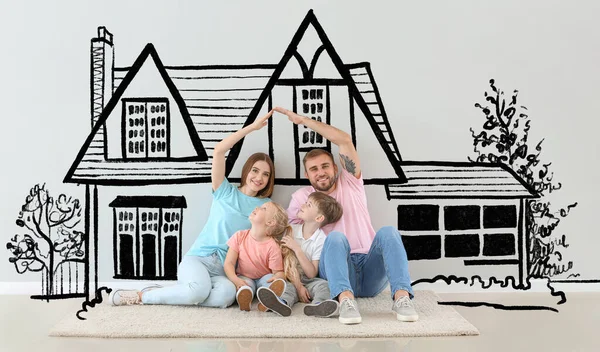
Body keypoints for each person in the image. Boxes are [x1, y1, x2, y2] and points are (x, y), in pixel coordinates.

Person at [108, 110, 276, 307]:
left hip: (226, 268)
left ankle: (181, 294)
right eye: (255, 170)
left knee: (226, 297)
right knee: (198, 291)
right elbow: (219, 151)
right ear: (247, 170)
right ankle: (142, 296)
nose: (259, 177)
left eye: (265, 174)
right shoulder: (225, 191)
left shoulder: (265, 207)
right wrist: (251, 128)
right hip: (199, 258)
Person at [274, 106, 419, 325]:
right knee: (335, 238)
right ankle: (345, 301)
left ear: (335, 168)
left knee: (389, 232)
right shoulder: (301, 198)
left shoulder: (350, 182)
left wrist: (303, 120)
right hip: (335, 269)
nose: (320, 172)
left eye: (325, 166)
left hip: (370, 267)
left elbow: (344, 140)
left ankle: (402, 298)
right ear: (307, 175)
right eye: (314, 169)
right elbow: (291, 236)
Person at [256, 192, 342, 318]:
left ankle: (319, 305)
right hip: (289, 276)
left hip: (309, 280)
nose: (303, 205)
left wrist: (297, 249)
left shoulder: (321, 239)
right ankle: (281, 303)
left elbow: (312, 273)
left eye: (309, 205)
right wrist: (299, 286)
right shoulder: (291, 229)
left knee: (324, 285)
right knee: (286, 288)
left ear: (318, 218)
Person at [224, 201, 298, 311]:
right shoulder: (239, 236)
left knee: (269, 281)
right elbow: (229, 263)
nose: (257, 207)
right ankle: (245, 299)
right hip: (244, 276)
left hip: (264, 278)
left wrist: (278, 278)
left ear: (270, 222)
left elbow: (278, 272)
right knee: (245, 287)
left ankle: (268, 301)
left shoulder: (272, 246)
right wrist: (235, 280)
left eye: (264, 208)